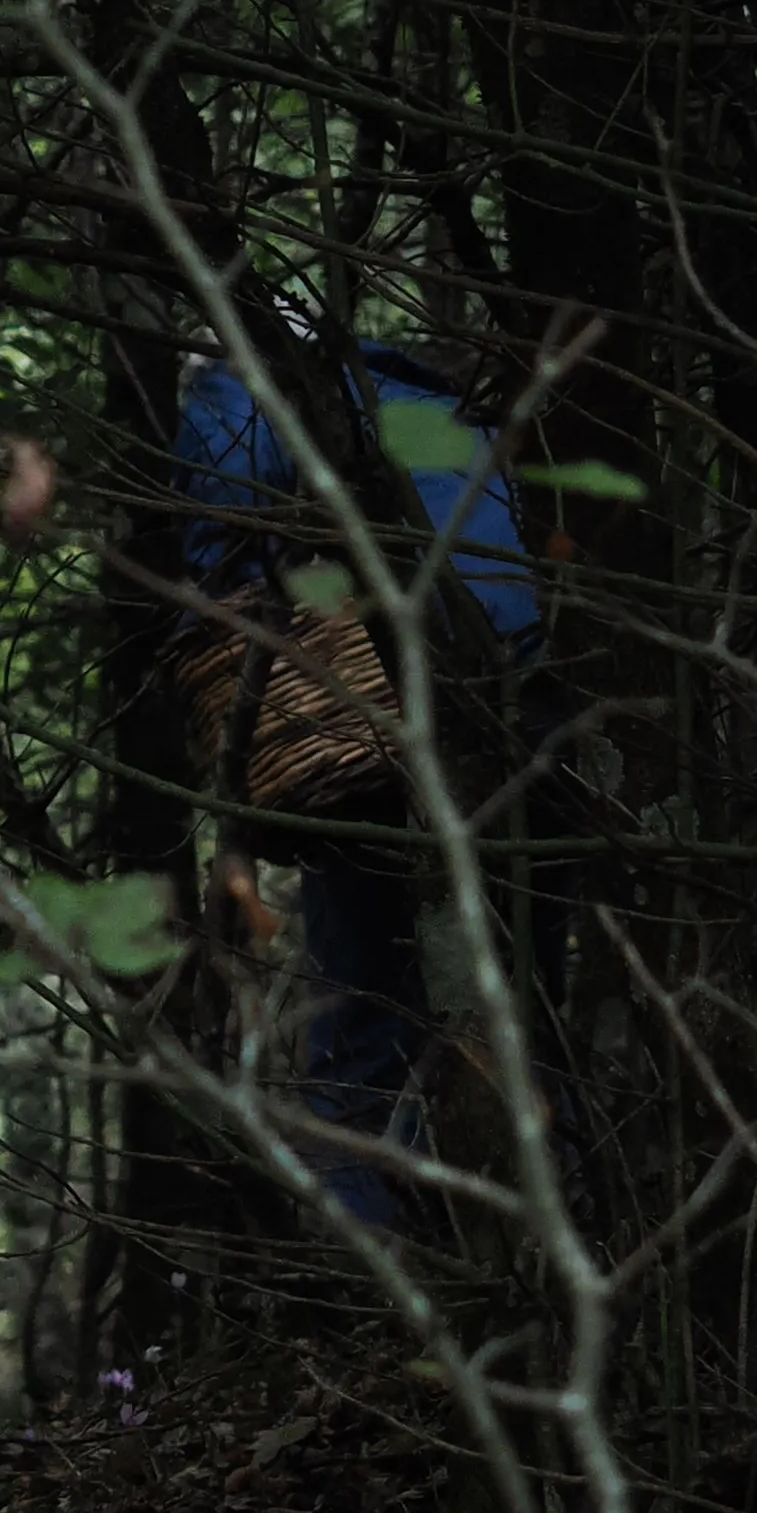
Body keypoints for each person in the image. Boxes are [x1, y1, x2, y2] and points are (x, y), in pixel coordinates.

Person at [169, 343, 547, 1232]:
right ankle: (538, 1258)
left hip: (375, 729)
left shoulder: (233, 388)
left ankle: (377, 1285)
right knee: (524, 1015)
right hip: (528, 706)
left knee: (362, 1037)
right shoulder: (441, 398)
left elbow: (224, 562)